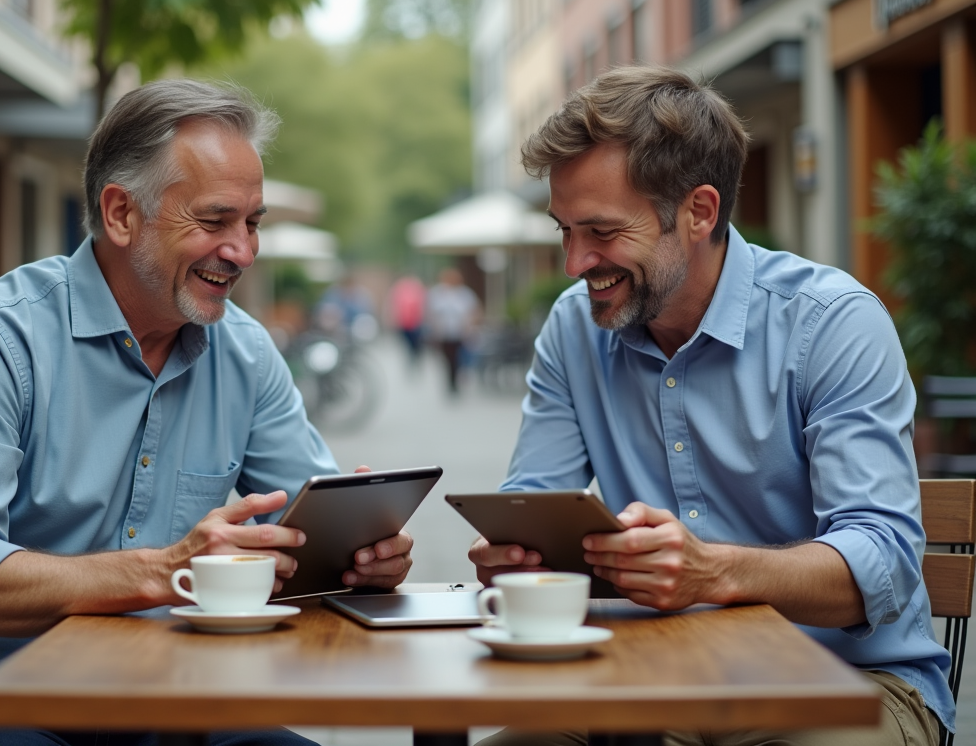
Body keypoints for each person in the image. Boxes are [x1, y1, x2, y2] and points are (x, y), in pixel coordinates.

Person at [0, 80, 414, 746]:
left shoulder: (245, 351)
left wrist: (360, 556)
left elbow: (306, 524)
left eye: (253, 222)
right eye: (215, 221)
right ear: (120, 214)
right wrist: (165, 568)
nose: (243, 251)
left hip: (166, 698)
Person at [468, 65, 952, 746]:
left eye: (601, 232)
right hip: (646, 679)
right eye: (564, 230)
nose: (575, 262)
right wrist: (519, 553)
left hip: (845, 681)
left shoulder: (832, 322)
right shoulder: (574, 328)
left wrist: (714, 571)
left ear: (699, 212)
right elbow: (533, 504)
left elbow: (882, 564)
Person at [426, 268, 480, 395]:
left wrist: (469, 326)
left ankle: (457, 380)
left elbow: (474, 311)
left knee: (459, 358)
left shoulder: (465, 294)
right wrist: (434, 328)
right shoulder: (437, 294)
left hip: (460, 332)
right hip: (444, 333)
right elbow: (431, 313)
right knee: (448, 359)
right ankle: (450, 383)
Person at [388, 275, 427, 364]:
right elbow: (395, 306)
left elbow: (422, 306)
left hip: (415, 323)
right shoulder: (399, 290)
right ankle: (411, 357)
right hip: (404, 322)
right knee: (407, 342)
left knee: (415, 342)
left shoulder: (417, 289)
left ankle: (415, 356)